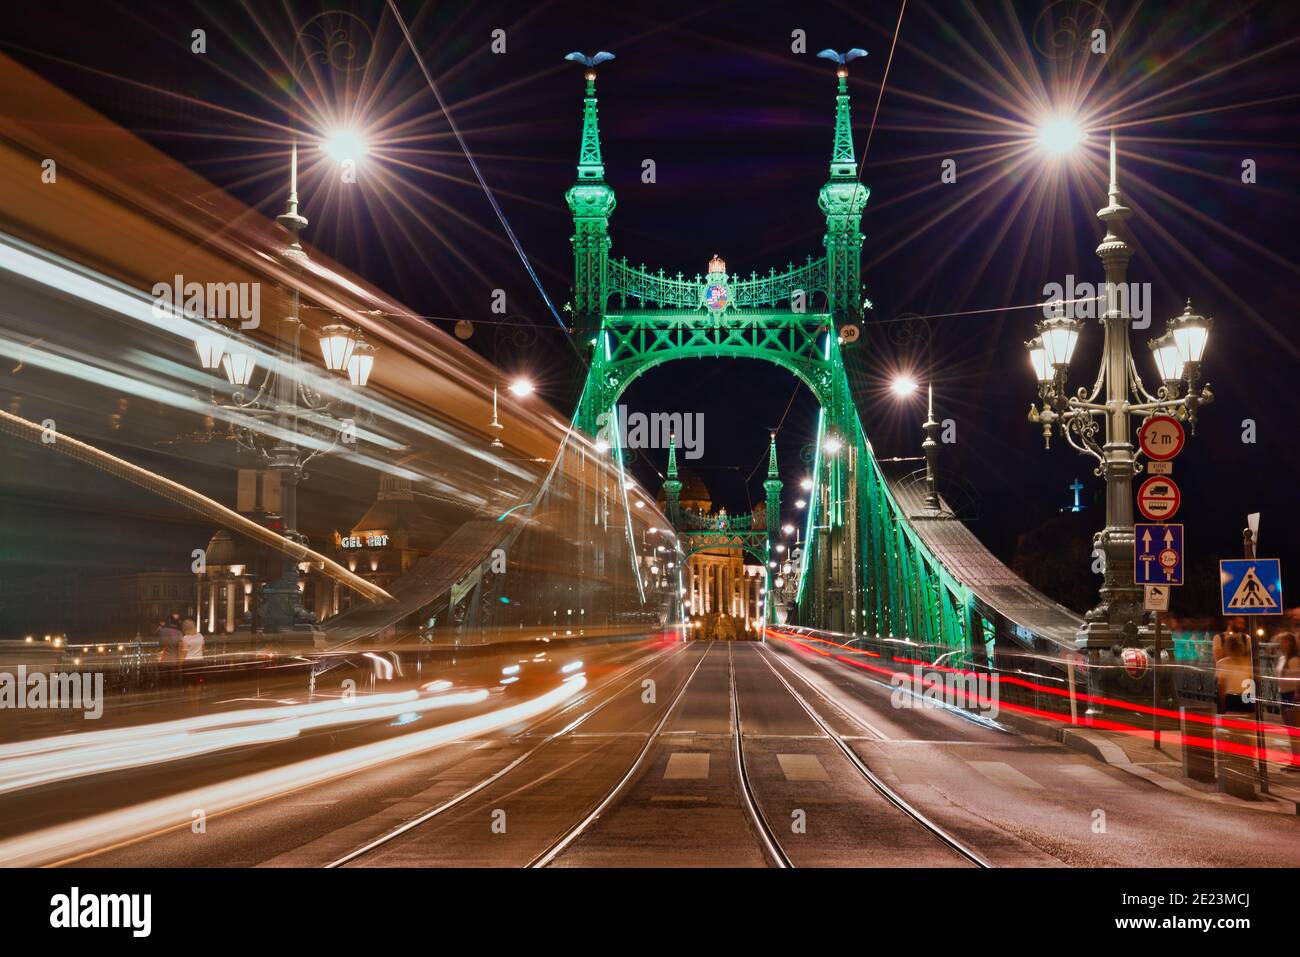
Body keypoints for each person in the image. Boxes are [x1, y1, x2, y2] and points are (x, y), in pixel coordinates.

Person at [1275, 632, 1300, 769]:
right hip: (1284, 694)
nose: (1281, 644)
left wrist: (1297, 693)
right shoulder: (1282, 659)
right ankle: (1295, 760)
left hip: (1293, 696)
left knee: (1295, 729)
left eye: (1284, 641)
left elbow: (1298, 678)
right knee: (1291, 730)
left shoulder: (1294, 660)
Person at [1215, 632, 1253, 714]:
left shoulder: (1222, 663)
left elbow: (1221, 686)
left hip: (1231, 698)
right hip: (1246, 697)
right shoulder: (1248, 662)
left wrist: (1222, 705)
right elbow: (1251, 682)